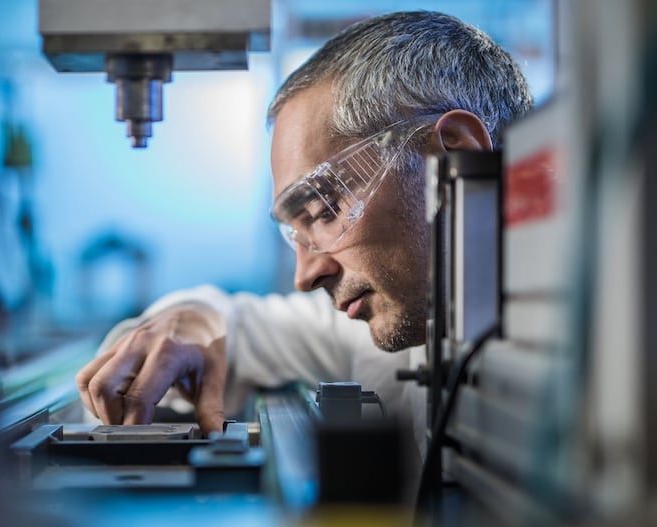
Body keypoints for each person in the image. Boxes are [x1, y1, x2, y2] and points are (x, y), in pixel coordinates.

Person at [75, 11, 534, 462]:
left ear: (454, 155)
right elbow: (243, 328)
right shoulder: (400, 318)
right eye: (295, 231)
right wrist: (193, 320)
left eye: (322, 210)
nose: (305, 276)